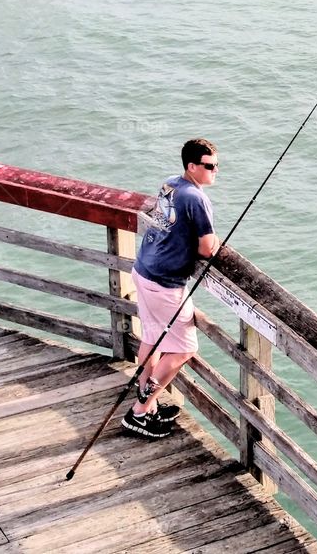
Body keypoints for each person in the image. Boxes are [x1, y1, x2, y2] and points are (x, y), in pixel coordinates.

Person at [122, 138, 220, 439]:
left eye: (217, 165)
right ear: (192, 166)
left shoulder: (170, 184)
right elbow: (207, 248)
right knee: (184, 348)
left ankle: (146, 406)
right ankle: (141, 409)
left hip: (144, 270)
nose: (215, 171)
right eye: (210, 166)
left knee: (152, 337)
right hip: (165, 283)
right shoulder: (196, 198)